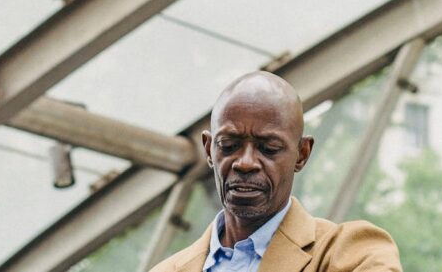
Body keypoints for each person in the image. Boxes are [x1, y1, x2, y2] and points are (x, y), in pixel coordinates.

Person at [150, 71, 402, 272]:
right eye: (229, 145)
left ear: (302, 154)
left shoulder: (352, 253)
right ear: (208, 149)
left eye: (269, 148)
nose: (245, 163)